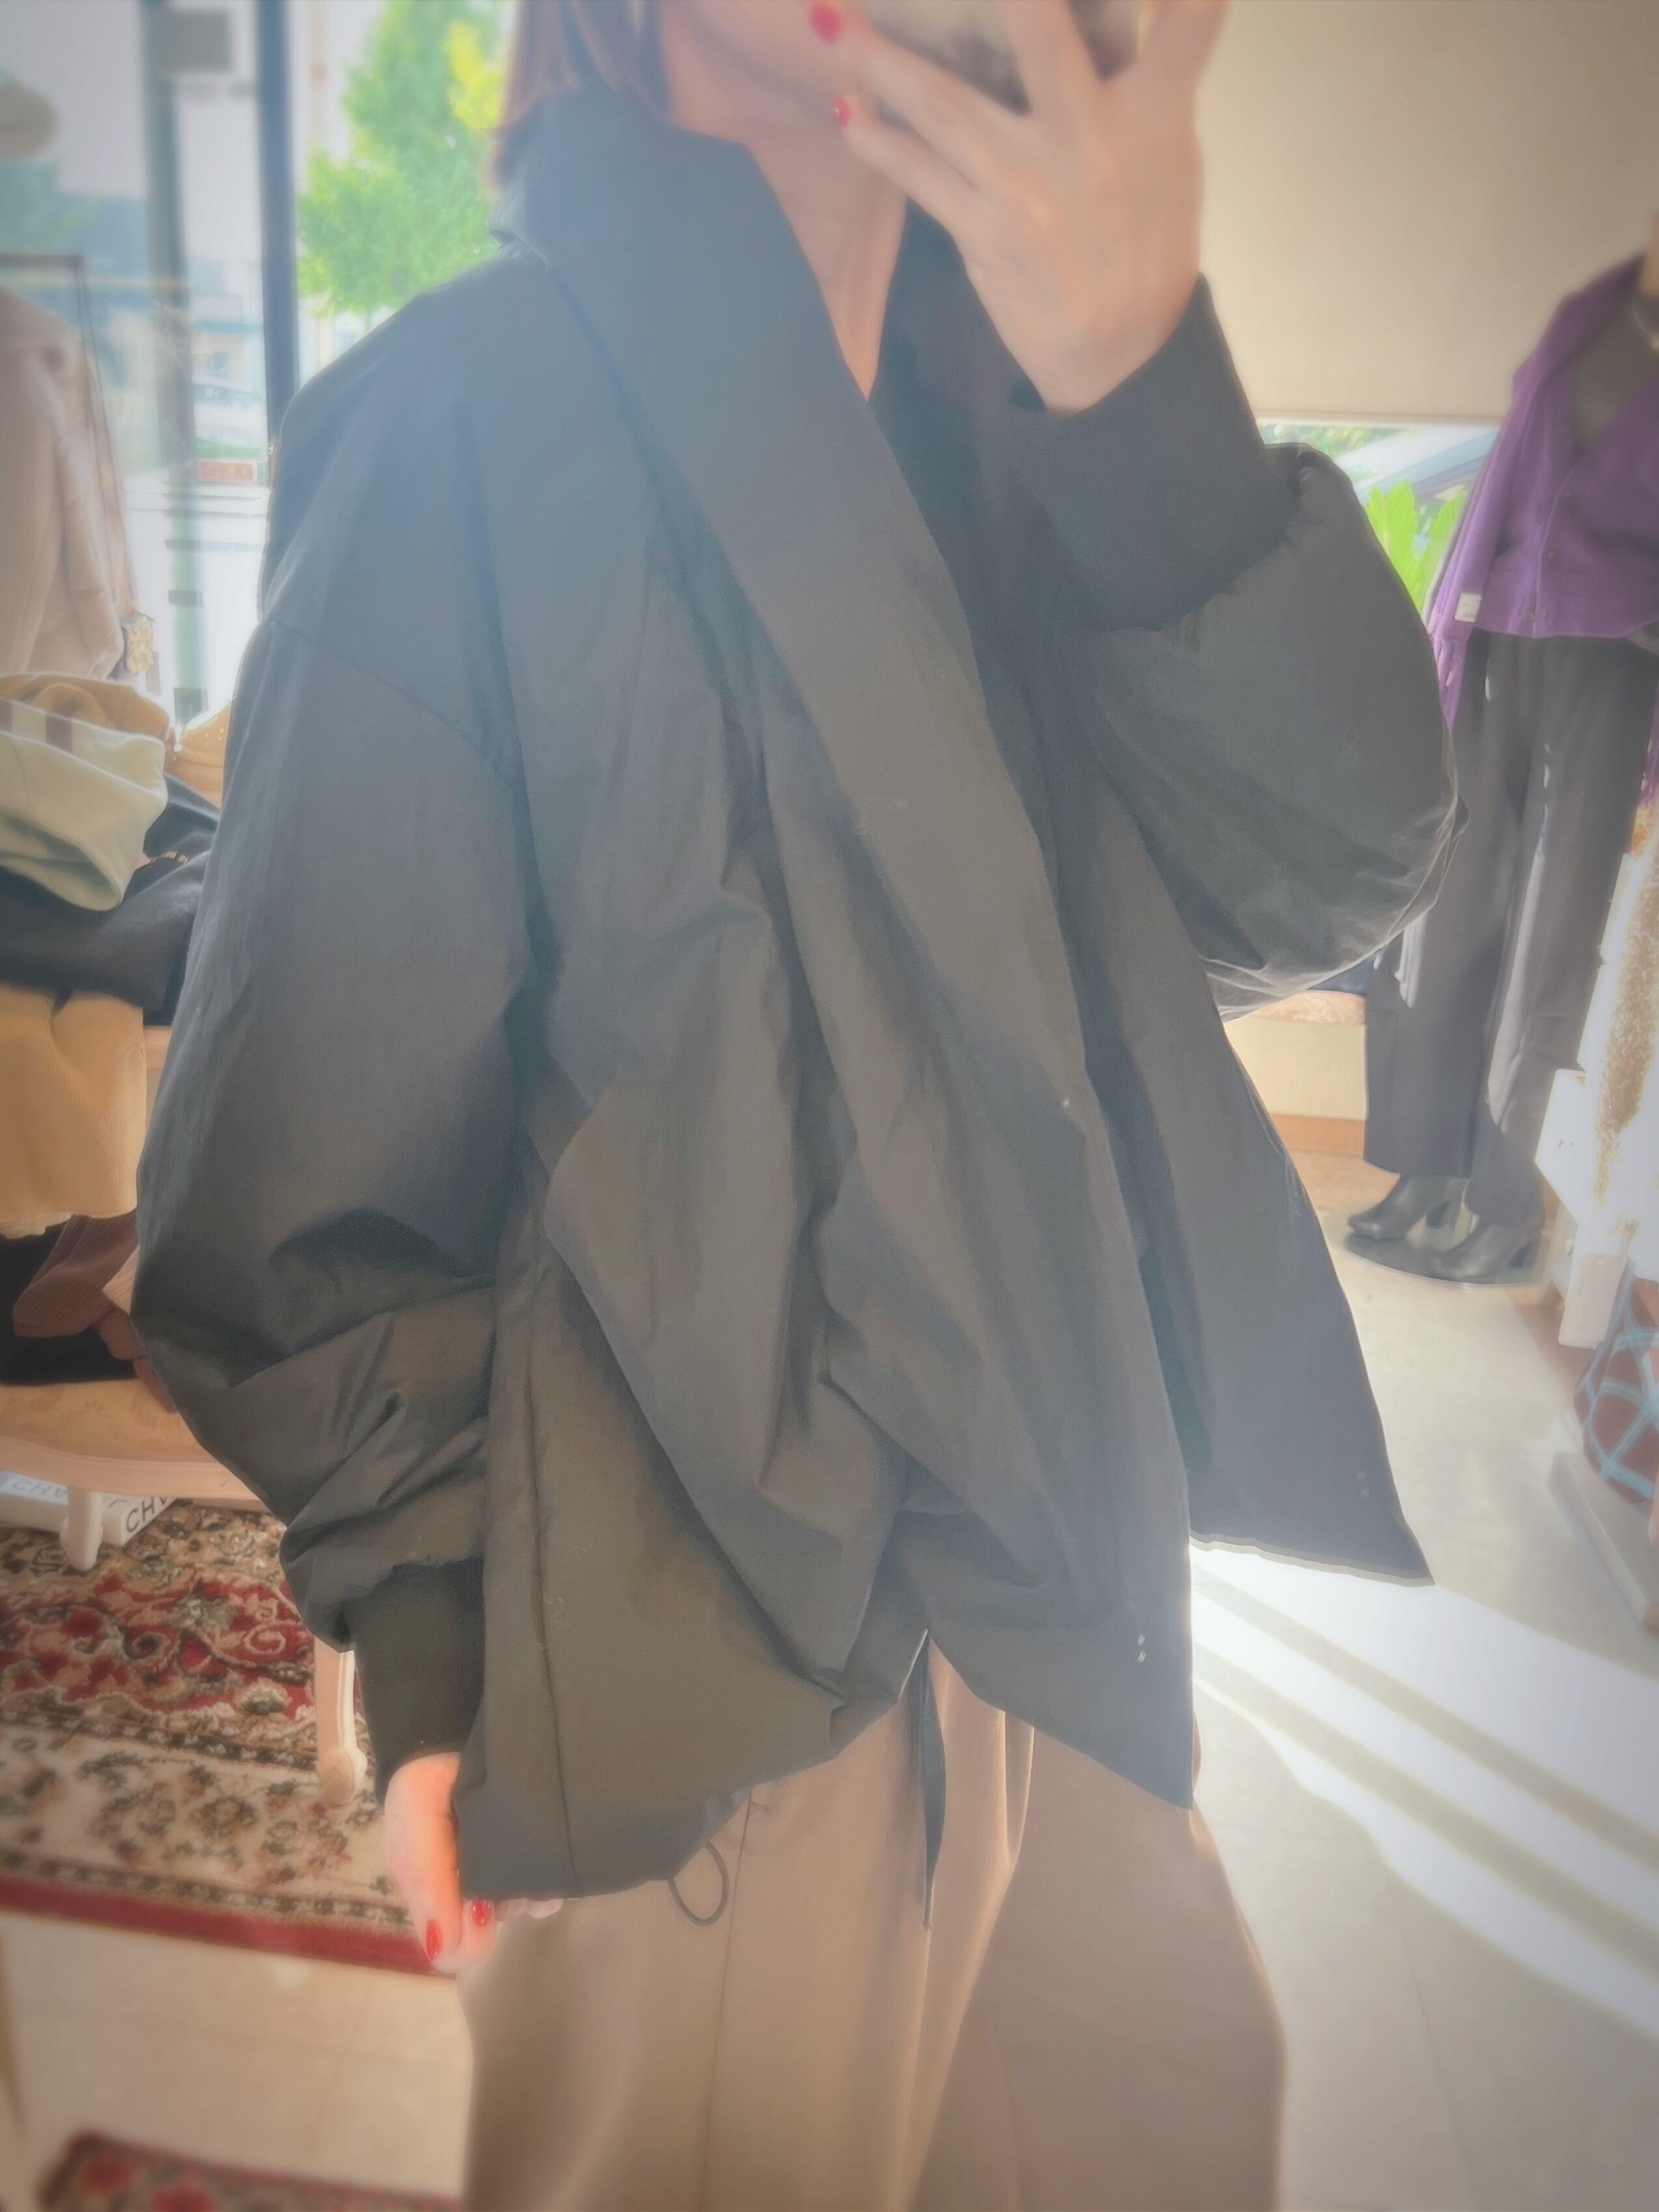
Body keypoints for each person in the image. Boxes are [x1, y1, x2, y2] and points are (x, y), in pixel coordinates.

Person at [135, 3, 1455, 2204]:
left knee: (1165, 2114)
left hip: (1042, 1579)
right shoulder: (460, 415)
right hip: (691, 1668)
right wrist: (441, 1641)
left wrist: (1144, 391)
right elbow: (307, 1156)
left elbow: (1313, 889)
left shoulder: (1017, 430)